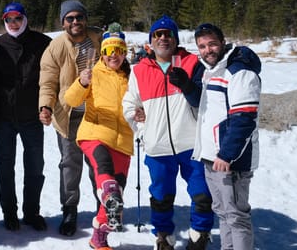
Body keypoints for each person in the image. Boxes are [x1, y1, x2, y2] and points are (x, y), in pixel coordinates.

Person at [122, 15, 214, 250]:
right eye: (158, 34)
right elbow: (129, 104)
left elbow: (204, 101)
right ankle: (163, 236)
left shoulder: (192, 63)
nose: (163, 38)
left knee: (202, 194)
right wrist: (139, 124)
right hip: (158, 146)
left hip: (192, 144)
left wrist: (187, 86)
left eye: (168, 34)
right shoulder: (139, 70)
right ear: (151, 41)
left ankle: (200, 234)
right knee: (161, 196)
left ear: (176, 38)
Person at [190, 23, 261, 250]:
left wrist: (227, 155)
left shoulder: (239, 72)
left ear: (222, 43)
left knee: (236, 217)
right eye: (202, 46)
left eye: (212, 44)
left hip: (230, 161)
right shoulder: (211, 71)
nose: (207, 50)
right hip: (212, 157)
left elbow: (244, 118)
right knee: (222, 212)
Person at [63, 25, 134, 250]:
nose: (114, 55)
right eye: (109, 50)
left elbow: (141, 104)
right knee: (106, 176)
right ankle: (108, 192)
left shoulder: (131, 78)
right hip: (95, 133)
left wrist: (142, 114)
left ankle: (99, 238)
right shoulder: (93, 73)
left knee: (116, 195)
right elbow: (71, 100)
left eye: (119, 50)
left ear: (125, 53)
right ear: (102, 53)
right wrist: (81, 82)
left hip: (122, 141)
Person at [38, 0, 103, 236]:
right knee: (69, 165)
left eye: (79, 17)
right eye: (70, 18)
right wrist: (45, 106)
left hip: (97, 115)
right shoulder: (55, 47)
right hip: (68, 115)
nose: (75, 21)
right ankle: (69, 210)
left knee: (99, 164)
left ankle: (103, 208)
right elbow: (47, 82)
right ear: (63, 22)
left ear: (86, 19)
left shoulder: (100, 40)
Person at [0, 2, 52, 232]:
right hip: (3, 117)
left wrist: (48, 106)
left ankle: (32, 212)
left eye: (17, 18)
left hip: (32, 117)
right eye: (9, 19)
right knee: (5, 167)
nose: (13, 23)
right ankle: (9, 213)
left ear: (25, 19)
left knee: (35, 167)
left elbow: (52, 78)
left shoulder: (43, 43)